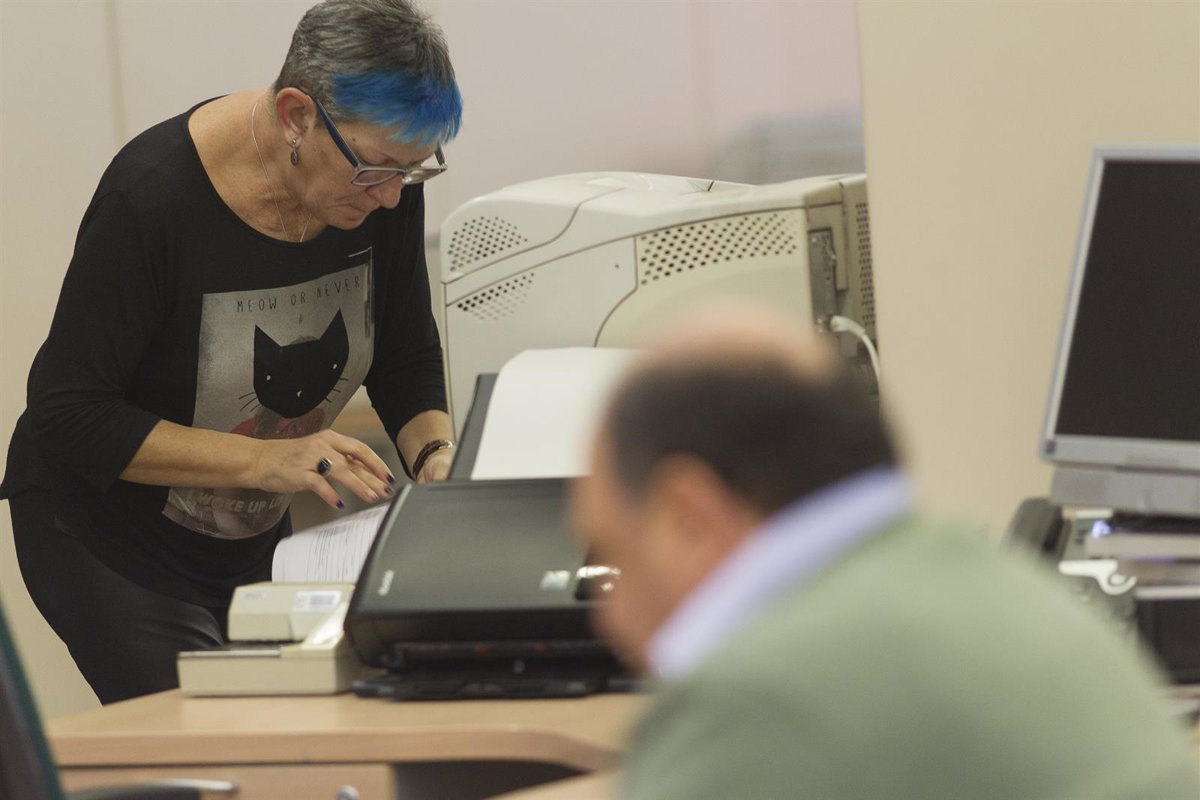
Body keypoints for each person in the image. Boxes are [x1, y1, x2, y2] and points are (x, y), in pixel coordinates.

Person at [0, 0, 461, 704]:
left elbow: (404, 355)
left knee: (298, 721)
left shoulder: (377, 189)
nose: (394, 197)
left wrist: (437, 459)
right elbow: (70, 412)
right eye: (376, 169)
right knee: (209, 737)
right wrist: (264, 459)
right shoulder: (152, 199)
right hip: (105, 529)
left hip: (243, 530)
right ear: (296, 116)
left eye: (413, 169)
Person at [571, 308, 1199, 799]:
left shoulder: (756, 702)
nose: (606, 615)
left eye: (612, 555)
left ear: (687, 516)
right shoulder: (1006, 589)